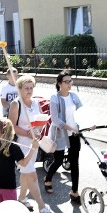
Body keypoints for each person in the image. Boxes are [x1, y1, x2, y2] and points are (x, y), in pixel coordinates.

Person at [9, 75, 54, 213]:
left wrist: (39, 130)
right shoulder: (16, 104)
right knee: (32, 175)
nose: (29, 90)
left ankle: (22, 198)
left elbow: (40, 120)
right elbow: (12, 127)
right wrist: (28, 133)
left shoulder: (36, 103)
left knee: (26, 173)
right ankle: (42, 206)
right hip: (21, 144)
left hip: (34, 144)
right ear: (20, 89)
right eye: (26, 88)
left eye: (31, 87)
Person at [43, 71, 84, 203]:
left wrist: (88, 123)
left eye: (70, 81)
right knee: (59, 160)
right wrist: (69, 127)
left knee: (74, 163)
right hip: (60, 133)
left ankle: (74, 192)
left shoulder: (74, 96)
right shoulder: (55, 98)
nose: (69, 84)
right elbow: (55, 119)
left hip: (74, 134)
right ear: (59, 84)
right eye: (66, 81)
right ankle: (48, 178)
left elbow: (82, 113)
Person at [0, 118, 39, 203]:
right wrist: (33, 148)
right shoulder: (14, 147)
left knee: (3, 207)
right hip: (8, 186)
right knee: (10, 211)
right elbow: (24, 163)